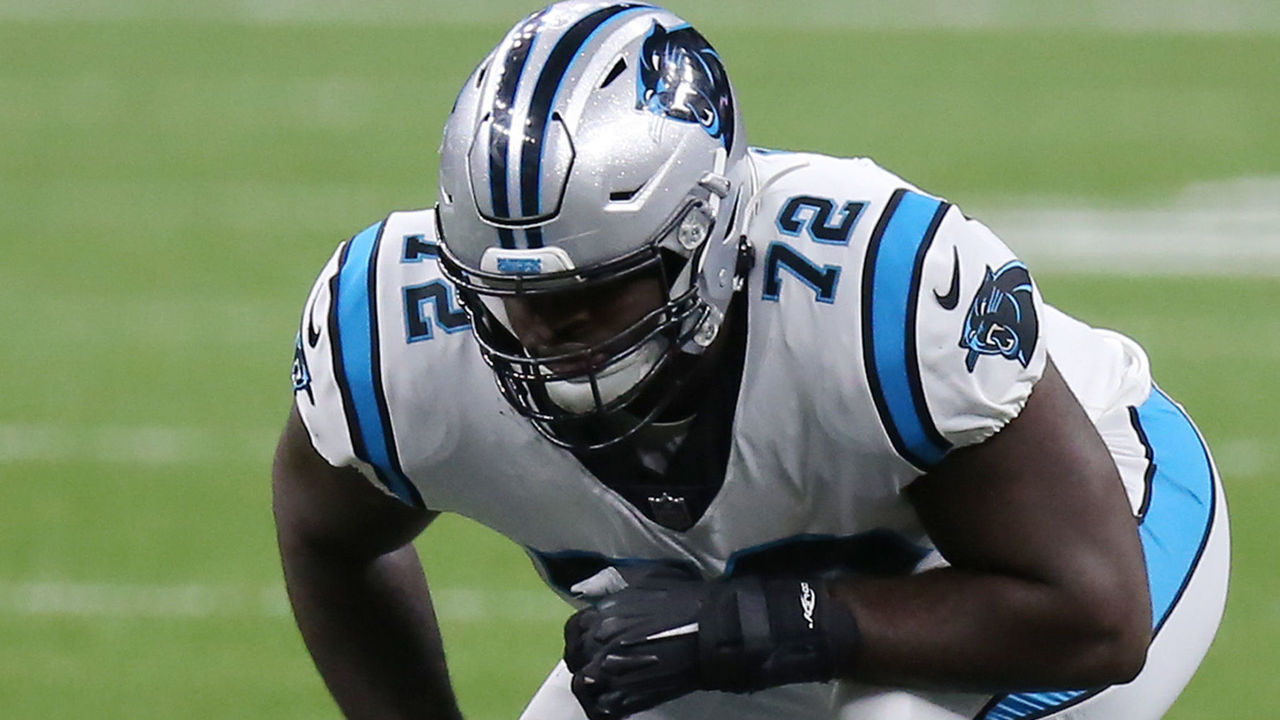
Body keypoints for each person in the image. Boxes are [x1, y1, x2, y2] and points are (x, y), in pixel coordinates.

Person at [271, 2, 1230, 719]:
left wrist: (773, 626)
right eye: (510, 296)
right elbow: (327, 536)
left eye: (594, 291)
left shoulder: (871, 297)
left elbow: (1096, 618)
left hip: (1091, 534)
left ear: (710, 240)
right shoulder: (392, 335)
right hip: (748, 606)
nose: (545, 335)